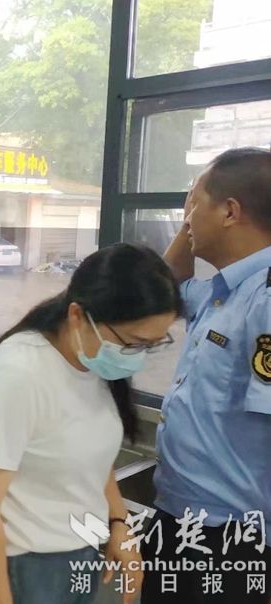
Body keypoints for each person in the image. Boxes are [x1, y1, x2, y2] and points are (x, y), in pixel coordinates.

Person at [0, 243, 183, 604]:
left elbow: (92, 457)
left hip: (78, 550)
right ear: (78, 315)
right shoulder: (18, 374)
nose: (137, 358)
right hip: (21, 566)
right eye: (134, 343)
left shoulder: (92, 362)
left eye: (151, 346)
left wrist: (119, 524)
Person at [143, 147, 271, 604]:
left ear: (231, 212)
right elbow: (161, 290)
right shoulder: (221, 292)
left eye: (193, 204)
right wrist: (193, 221)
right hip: (179, 518)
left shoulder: (264, 299)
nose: (186, 218)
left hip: (231, 539)